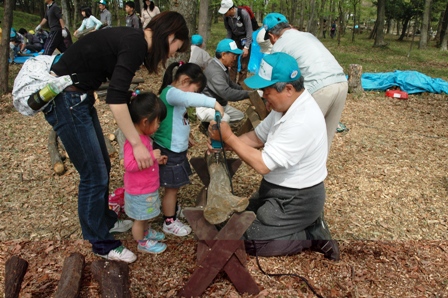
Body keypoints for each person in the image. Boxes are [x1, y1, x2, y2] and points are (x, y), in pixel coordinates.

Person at [41, 11, 189, 263]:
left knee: (102, 166)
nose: (173, 53)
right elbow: (116, 98)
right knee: (93, 174)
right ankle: (100, 242)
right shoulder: (136, 43)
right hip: (66, 99)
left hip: (79, 97)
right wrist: (136, 143)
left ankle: (106, 221)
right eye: (177, 46)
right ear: (171, 35)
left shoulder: (134, 40)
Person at [208, 52, 340, 260]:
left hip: (298, 197)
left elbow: (263, 165)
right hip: (277, 189)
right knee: (237, 220)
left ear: (288, 88)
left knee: (252, 240)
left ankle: (310, 234)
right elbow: (256, 138)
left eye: (266, 90)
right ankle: (300, 224)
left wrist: (230, 139)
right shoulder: (284, 107)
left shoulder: (301, 120)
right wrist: (223, 144)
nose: (263, 95)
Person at [152, 62, 224, 236]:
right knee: (172, 187)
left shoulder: (175, 95)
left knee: (174, 186)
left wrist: (186, 137)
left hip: (176, 148)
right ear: (185, 80)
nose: (194, 95)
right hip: (169, 150)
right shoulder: (171, 93)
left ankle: (173, 209)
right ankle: (169, 221)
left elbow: (176, 121)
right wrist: (214, 103)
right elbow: (188, 99)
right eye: (195, 90)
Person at [262, 13, 348, 152]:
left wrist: (268, 99)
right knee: (325, 136)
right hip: (341, 82)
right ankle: (318, 170)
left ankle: (293, 169)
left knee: (300, 135)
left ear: (272, 36)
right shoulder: (308, 35)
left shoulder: (279, 46)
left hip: (318, 87)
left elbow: (276, 79)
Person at [124, 91, 168, 254]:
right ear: (144, 122)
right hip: (139, 191)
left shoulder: (143, 138)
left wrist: (156, 160)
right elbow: (129, 165)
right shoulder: (133, 141)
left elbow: (145, 162)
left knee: (146, 215)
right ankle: (141, 242)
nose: (158, 126)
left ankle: (146, 231)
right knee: (139, 219)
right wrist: (150, 156)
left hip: (147, 189)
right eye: (157, 123)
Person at [196, 39, 250, 123]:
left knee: (239, 116)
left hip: (218, 105)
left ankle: (214, 124)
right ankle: (210, 127)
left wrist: (246, 90)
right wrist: (248, 94)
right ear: (224, 55)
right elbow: (227, 93)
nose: (235, 59)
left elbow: (231, 84)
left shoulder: (221, 67)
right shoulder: (215, 72)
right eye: (233, 56)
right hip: (206, 107)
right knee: (225, 118)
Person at [218, 0, 253, 85]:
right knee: (232, 62)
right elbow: (229, 31)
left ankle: (241, 84)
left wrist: (246, 47)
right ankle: (231, 83)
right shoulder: (226, 17)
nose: (224, 13)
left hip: (245, 38)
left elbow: (249, 31)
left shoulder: (243, 14)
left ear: (232, 9)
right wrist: (228, 43)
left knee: (244, 64)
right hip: (234, 38)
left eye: (226, 11)